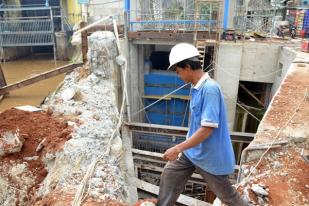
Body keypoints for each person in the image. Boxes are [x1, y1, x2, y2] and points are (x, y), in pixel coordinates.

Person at [157, 43, 247, 206]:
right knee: (170, 175)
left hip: (210, 156)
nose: (179, 76)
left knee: (228, 196)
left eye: (178, 71)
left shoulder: (210, 89)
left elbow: (207, 130)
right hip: (192, 152)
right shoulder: (196, 87)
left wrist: (177, 148)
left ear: (187, 67)